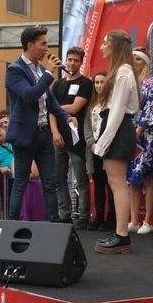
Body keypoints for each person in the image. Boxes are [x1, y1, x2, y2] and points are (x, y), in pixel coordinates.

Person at [4, 26, 71, 222]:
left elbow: (49, 101)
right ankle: (12, 224)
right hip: (25, 134)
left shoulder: (40, 69)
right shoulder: (14, 70)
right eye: (43, 44)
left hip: (43, 134)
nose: (46, 48)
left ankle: (55, 223)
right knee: (21, 182)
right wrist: (49, 74)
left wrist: (66, 117)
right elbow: (30, 96)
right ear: (30, 45)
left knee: (50, 182)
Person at [92, 31, 140, 254]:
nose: (102, 46)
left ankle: (122, 235)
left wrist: (102, 143)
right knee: (116, 183)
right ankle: (120, 233)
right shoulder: (122, 71)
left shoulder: (123, 72)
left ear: (116, 46)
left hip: (118, 129)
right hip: (116, 128)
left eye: (105, 43)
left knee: (118, 184)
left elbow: (118, 112)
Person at [52, 46, 94, 229]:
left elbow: (76, 108)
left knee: (80, 178)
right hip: (58, 136)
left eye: (76, 60)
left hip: (76, 138)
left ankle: (83, 216)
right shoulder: (57, 84)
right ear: (65, 60)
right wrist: (54, 132)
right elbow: (50, 113)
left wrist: (55, 107)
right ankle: (65, 215)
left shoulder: (86, 83)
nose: (72, 63)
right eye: (69, 59)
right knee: (59, 178)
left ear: (81, 62)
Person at [127, 47, 153, 235]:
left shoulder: (150, 82)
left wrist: (140, 128)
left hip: (145, 136)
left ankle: (148, 221)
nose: (134, 62)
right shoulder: (130, 81)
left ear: (145, 63)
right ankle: (134, 220)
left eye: (138, 59)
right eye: (132, 59)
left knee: (147, 176)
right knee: (132, 178)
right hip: (129, 135)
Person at [85, 71, 115, 232]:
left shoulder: (112, 103)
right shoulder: (91, 104)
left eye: (102, 82)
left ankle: (112, 218)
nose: (98, 85)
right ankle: (98, 217)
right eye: (96, 82)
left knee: (111, 184)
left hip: (108, 149)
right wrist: (91, 144)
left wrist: (104, 144)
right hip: (94, 149)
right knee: (98, 184)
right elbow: (87, 127)